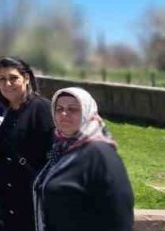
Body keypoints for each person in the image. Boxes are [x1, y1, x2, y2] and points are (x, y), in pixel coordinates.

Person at [32, 88, 134, 231]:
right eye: (59, 108)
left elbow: (119, 215)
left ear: (88, 112)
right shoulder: (60, 147)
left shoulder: (99, 153)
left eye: (73, 109)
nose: (64, 114)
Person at [0, 57, 54, 231]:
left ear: (26, 78)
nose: (7, 84)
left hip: (34, 205)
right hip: (12, 205)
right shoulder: (10, 112)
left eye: (13, 78)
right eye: (2, 79)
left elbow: (56, 156)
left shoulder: (42, 109)